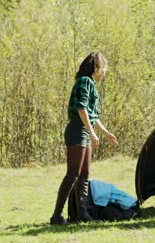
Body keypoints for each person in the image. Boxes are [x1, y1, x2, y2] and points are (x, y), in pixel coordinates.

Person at [50, 51, 118, 225]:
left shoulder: (92, 85)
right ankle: (57, 216)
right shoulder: (84, 81)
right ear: (97, 67)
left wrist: (104, 132)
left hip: (85, 130)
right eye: (104, 69)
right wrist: (92, 133)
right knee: (73, 173)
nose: (104, 73)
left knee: (85, 174)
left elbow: (92, 114)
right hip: (77, 130)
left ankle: (82, 213)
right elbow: (81, 109)